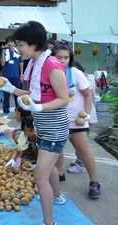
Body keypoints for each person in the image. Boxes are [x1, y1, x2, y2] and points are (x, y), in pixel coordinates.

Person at [0, 21, 69, 225]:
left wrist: (40, 108)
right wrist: (12, 89)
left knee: (39, 176)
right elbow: (35, 93)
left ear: (34, 44)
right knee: (49, 167)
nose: (18, 49)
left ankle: (48, 222)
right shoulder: (35, 64)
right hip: (43, 127)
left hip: (55, 130)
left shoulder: (52, 66)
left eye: (20, 44)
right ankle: (57, 196)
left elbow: (64, 98)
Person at [51, 42, 100, 199]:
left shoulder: (76, 73)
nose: (63, 60)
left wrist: (85, 114)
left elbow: (87, 95)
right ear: (52, 57)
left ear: (70, 58)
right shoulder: (50, 74)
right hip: (58, 118)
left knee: (83, 150)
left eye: (66, 57)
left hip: (76, 119)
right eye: (59, 57)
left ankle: (94, 182)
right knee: (57, 149)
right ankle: (59, 173)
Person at [68, 62, 98, 173]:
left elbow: (87, 89)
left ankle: (81, 164)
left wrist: (78, 77)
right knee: (73, 139)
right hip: (76, 116)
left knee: (81, 143)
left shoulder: (89, 78)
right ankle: (79, 159)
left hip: (88, 115)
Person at [0, 36, 24, 118]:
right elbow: (2, 63)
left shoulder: (18, 52)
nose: (10, 43)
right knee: (6, 95)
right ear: (6, 43)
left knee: (17, 96)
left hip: (16, 77)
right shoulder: (5, 52)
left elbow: (21, 63)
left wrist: (21, 75)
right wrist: (2, 52)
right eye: (8, 42)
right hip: (6, 78)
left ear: (14, 43)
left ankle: (18, 111)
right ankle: (6, 112)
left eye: (11, 42)